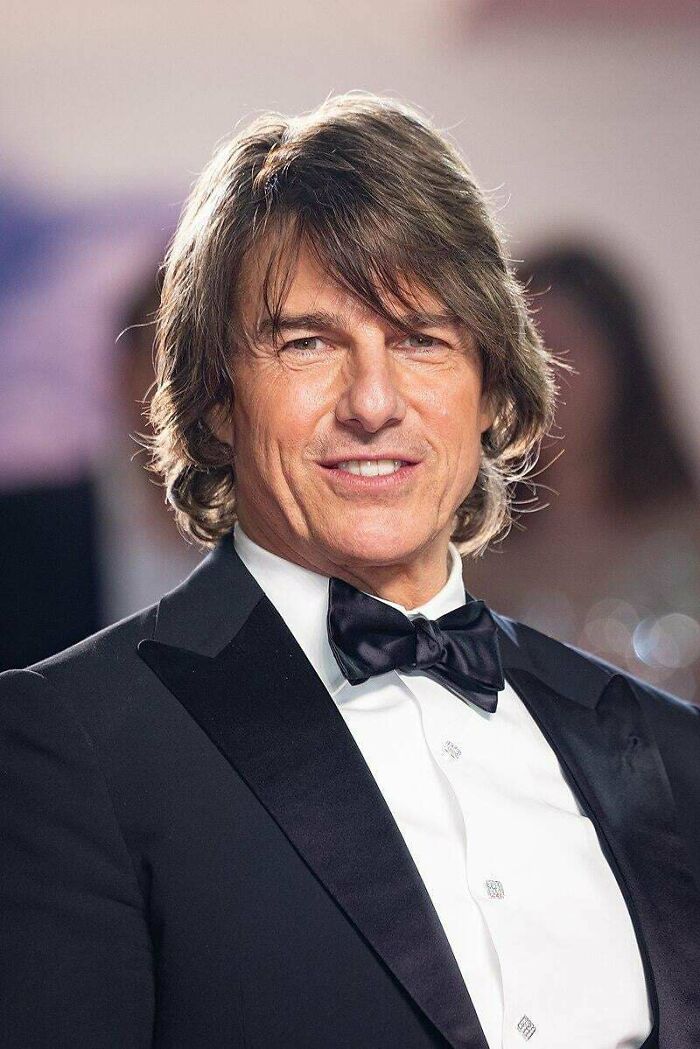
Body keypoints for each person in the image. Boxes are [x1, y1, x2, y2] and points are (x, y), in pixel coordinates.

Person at [1, 93, 698, 1049]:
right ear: (213, 399)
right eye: (309, 343)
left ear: (492, 388)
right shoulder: (76, 743)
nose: (373, 401)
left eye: (420, 339)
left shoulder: (668, 748)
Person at [466, 243, 700, 703]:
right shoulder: (465, 560)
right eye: (528, 356)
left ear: (621, 364)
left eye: (566, 352)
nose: (548, 381)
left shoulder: (686, 538)